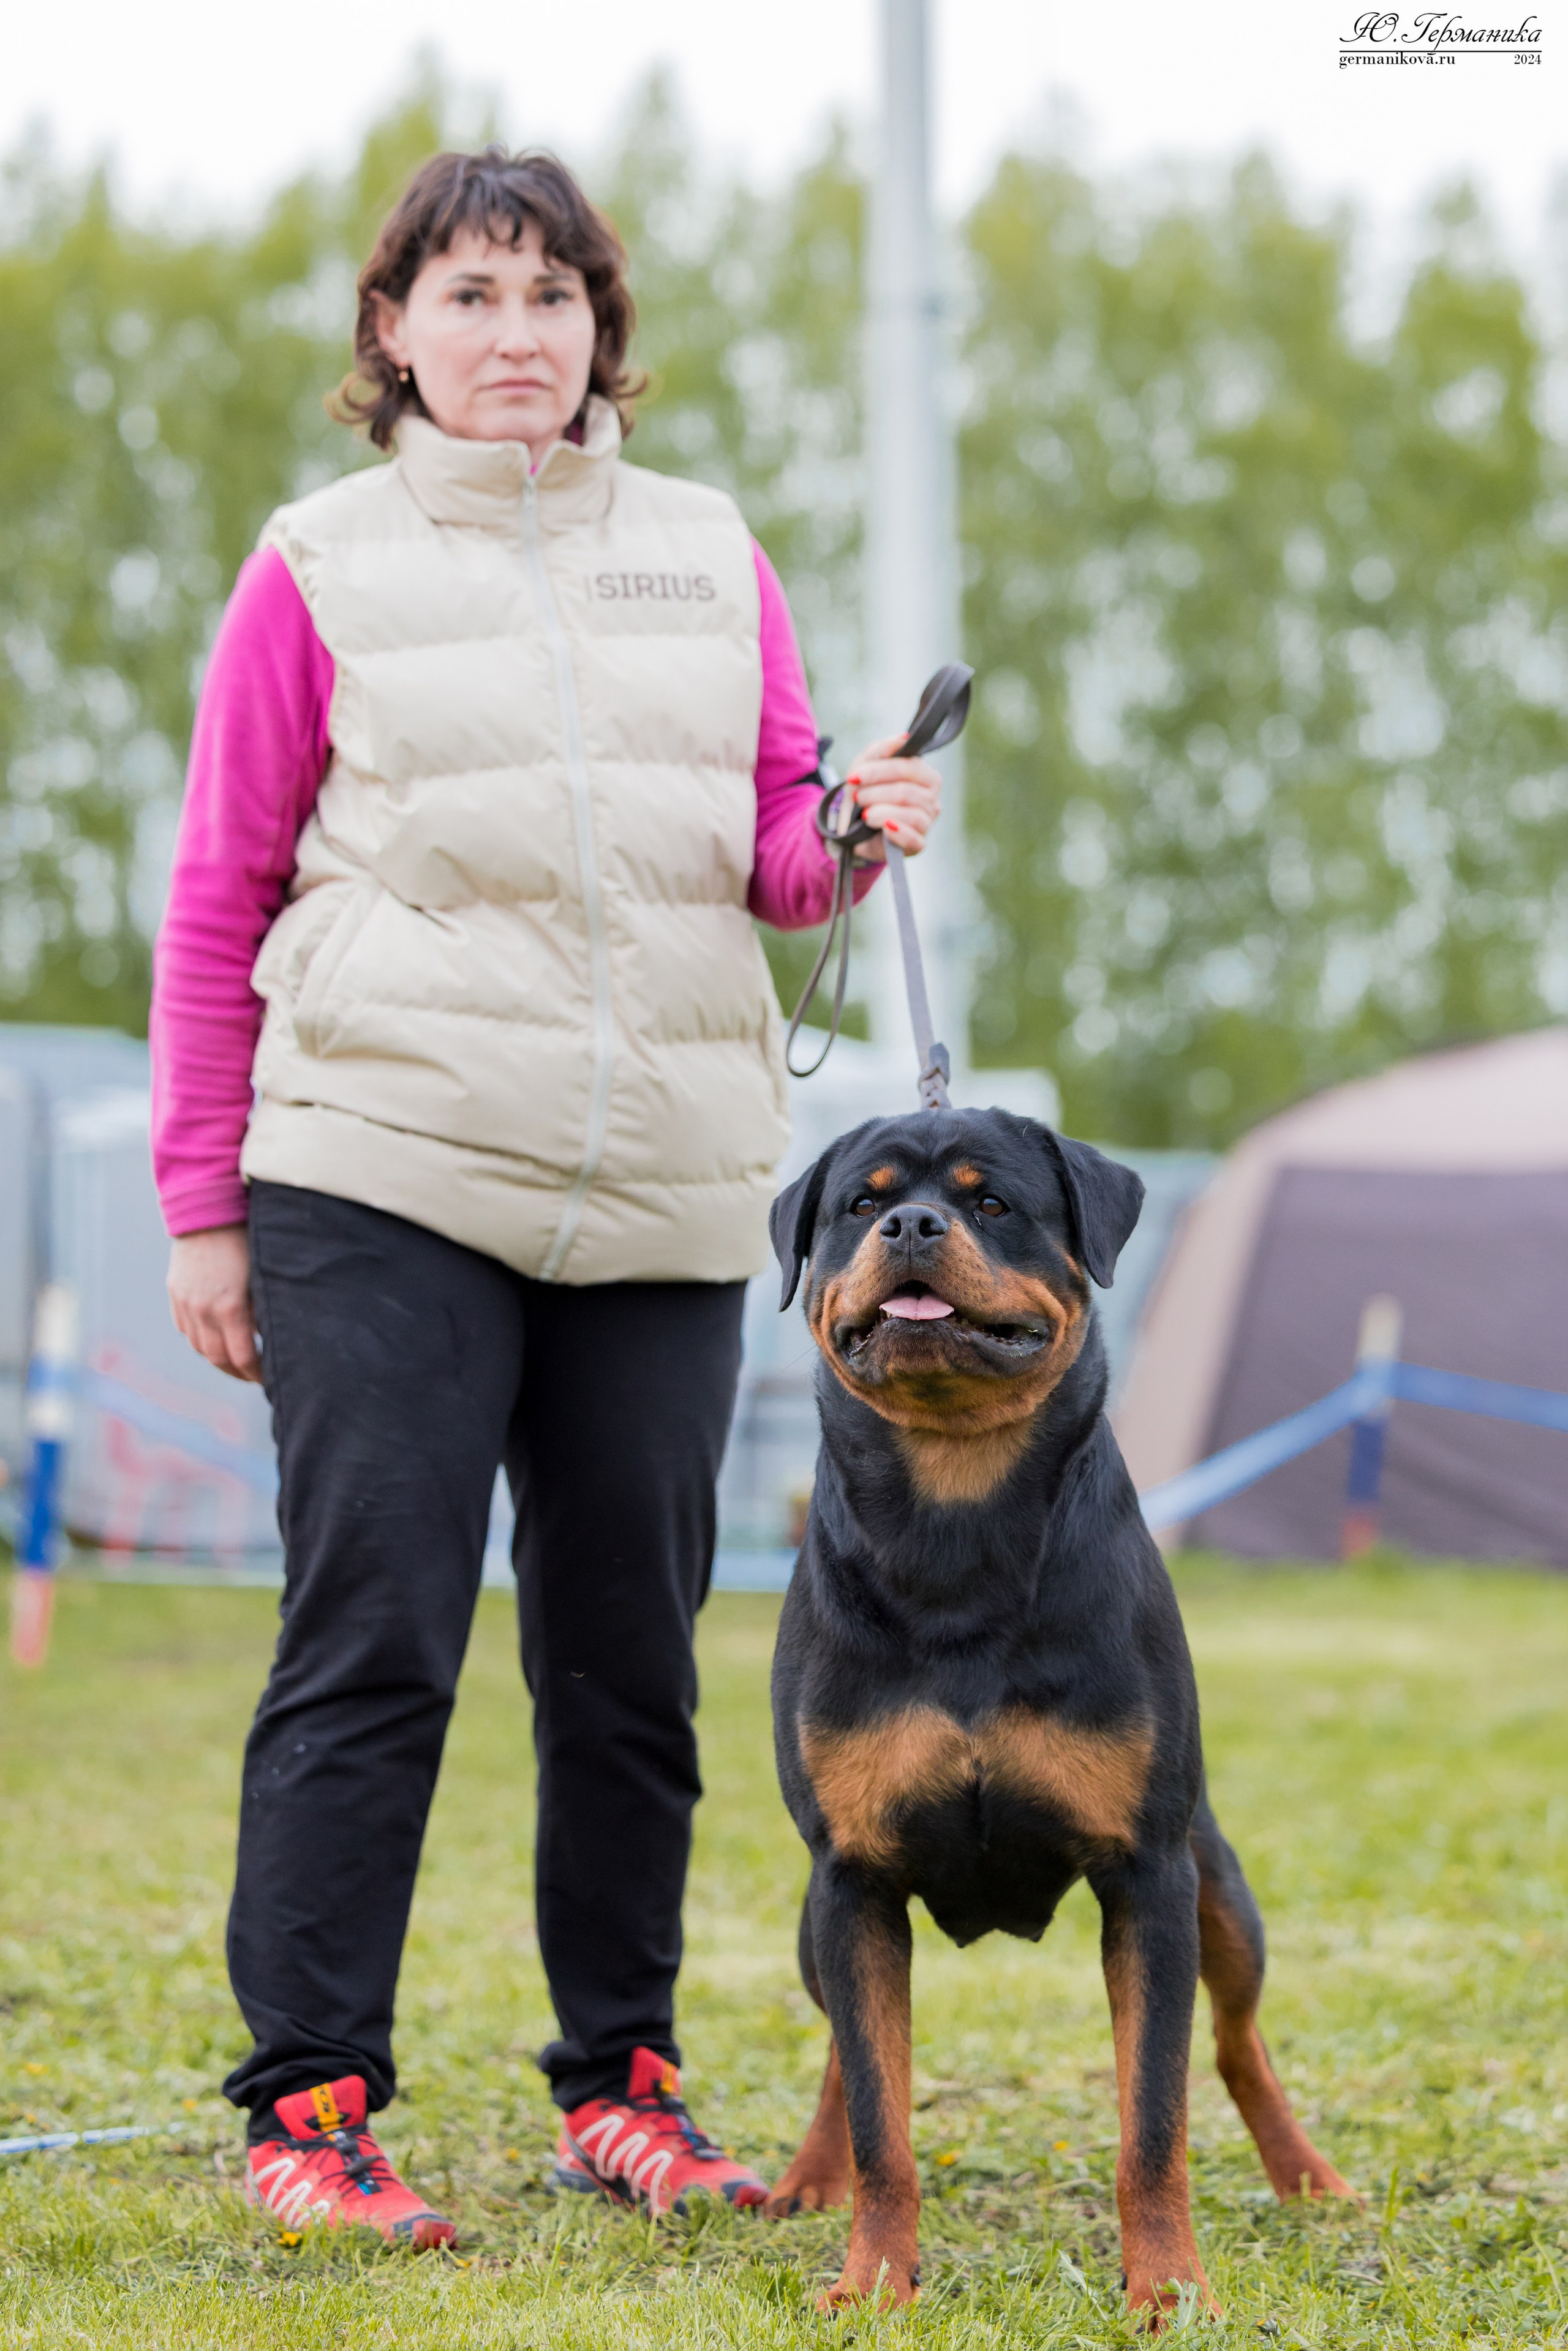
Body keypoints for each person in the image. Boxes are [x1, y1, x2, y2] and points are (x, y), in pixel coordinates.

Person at [151, 145, 943, 2243]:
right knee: (376, 1643)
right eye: (470, 295)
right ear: (391, 333)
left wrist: (849, 825)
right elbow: (221, 893)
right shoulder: (311, 566)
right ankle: (308, 2106)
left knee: (632, 1669)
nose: (516, 335)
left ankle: (628, 2081)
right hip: (380, 1168)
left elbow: (769, 865)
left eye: (553, 297)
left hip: (669, 1194)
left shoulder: (710, 553)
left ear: (605, 332)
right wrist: (199, 1206)